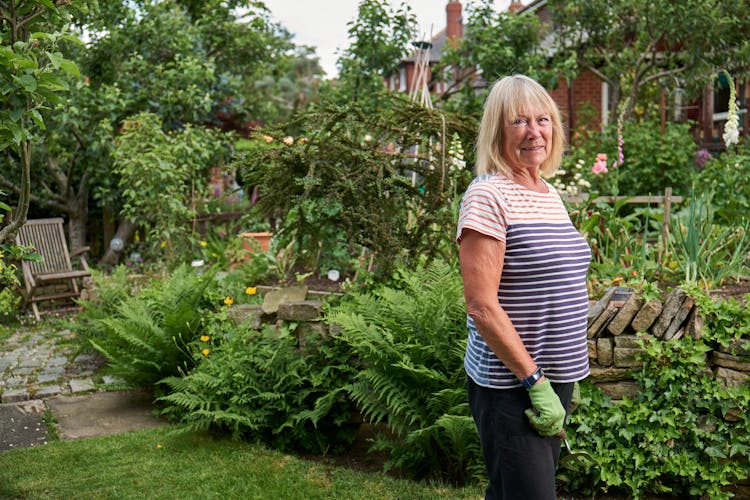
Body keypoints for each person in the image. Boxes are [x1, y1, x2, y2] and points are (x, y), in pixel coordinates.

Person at [456, 74, 591, 499]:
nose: (535, 132)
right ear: (497, 132)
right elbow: (481, 306)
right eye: (519, 122)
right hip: (513, 385)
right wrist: (534, 381)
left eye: (542, 120)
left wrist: (559, 374)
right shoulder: (487, 196)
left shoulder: (547, 192)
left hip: (554, 378)